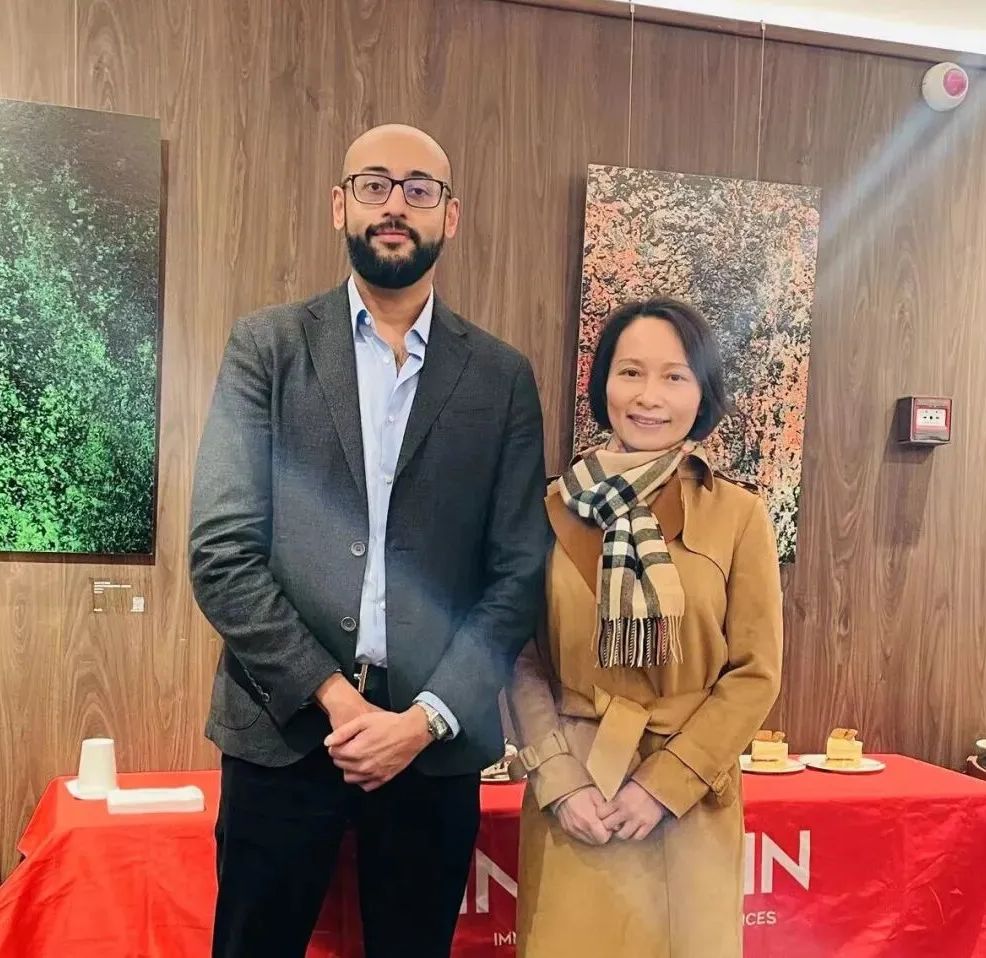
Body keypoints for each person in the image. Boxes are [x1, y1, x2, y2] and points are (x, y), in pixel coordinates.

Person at [189, 123, 548, 958]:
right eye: (374, 184)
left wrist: (423, 719)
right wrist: (338, 700)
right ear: (339, 205)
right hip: (283, 732)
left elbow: (518, 574)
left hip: (434, 745)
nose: (395, 204)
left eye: (419, 189)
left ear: (449, 216)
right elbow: (222, 551)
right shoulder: (267, 348)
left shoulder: (500, 378)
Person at [505, 297, 783, 957]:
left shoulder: (738, 514)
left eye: (674, 376)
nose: (648, 396)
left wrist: (665, 785)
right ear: (603, 384)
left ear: (701, 392)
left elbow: (754, 672)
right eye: (630, 372)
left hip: (690, 798)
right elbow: (517, 656)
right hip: (577, 798)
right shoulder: (548, 508)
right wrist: (557, 778)